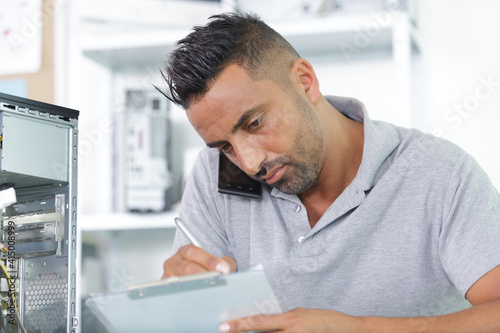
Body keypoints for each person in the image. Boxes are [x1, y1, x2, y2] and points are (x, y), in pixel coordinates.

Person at [160, 12, 500, 333]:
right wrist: (178, 305)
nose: (249, 164)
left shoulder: (441, 172)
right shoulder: (213, 174)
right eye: (225, 146)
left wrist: (360, 329)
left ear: (305, 82)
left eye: (254, 123)